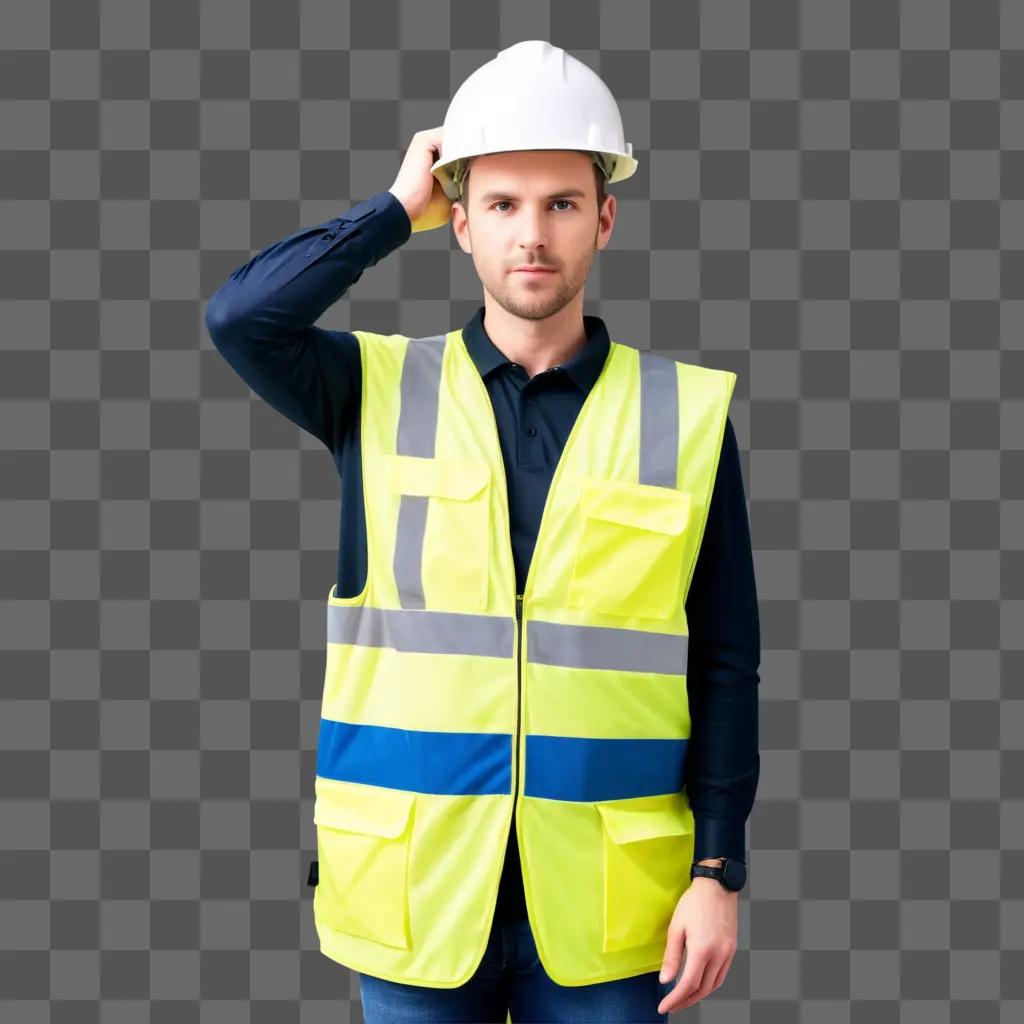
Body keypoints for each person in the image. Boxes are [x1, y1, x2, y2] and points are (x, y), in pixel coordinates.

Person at [205, 39, 760, 1024]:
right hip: (416, 890)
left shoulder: (684, 415)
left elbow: (724, 661)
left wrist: (717, 867)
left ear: (605, 218)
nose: (531, 236)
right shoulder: (368, 388)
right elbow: (242, 318)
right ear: (456, 222)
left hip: (611, 906)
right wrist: (387, 213)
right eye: (501, 204)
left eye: (560, 203)